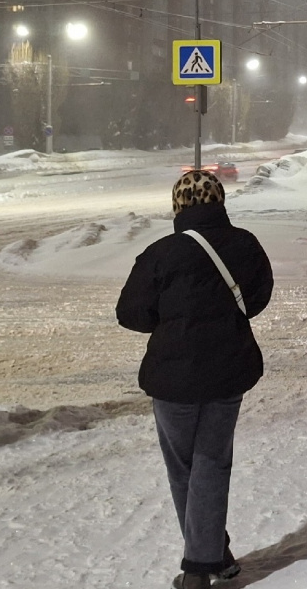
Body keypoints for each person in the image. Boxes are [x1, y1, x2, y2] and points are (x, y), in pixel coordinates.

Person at [116, 170, 274, 589]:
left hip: (172, 380)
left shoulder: (160, 254)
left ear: (177, 206)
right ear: (219, 202)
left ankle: (197, 570)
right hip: (228, 372)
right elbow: (256, 299)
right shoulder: (246, 245)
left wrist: (172, 321)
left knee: (184, 467)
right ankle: (214, 555)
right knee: (212, 462)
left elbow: (131, 314)